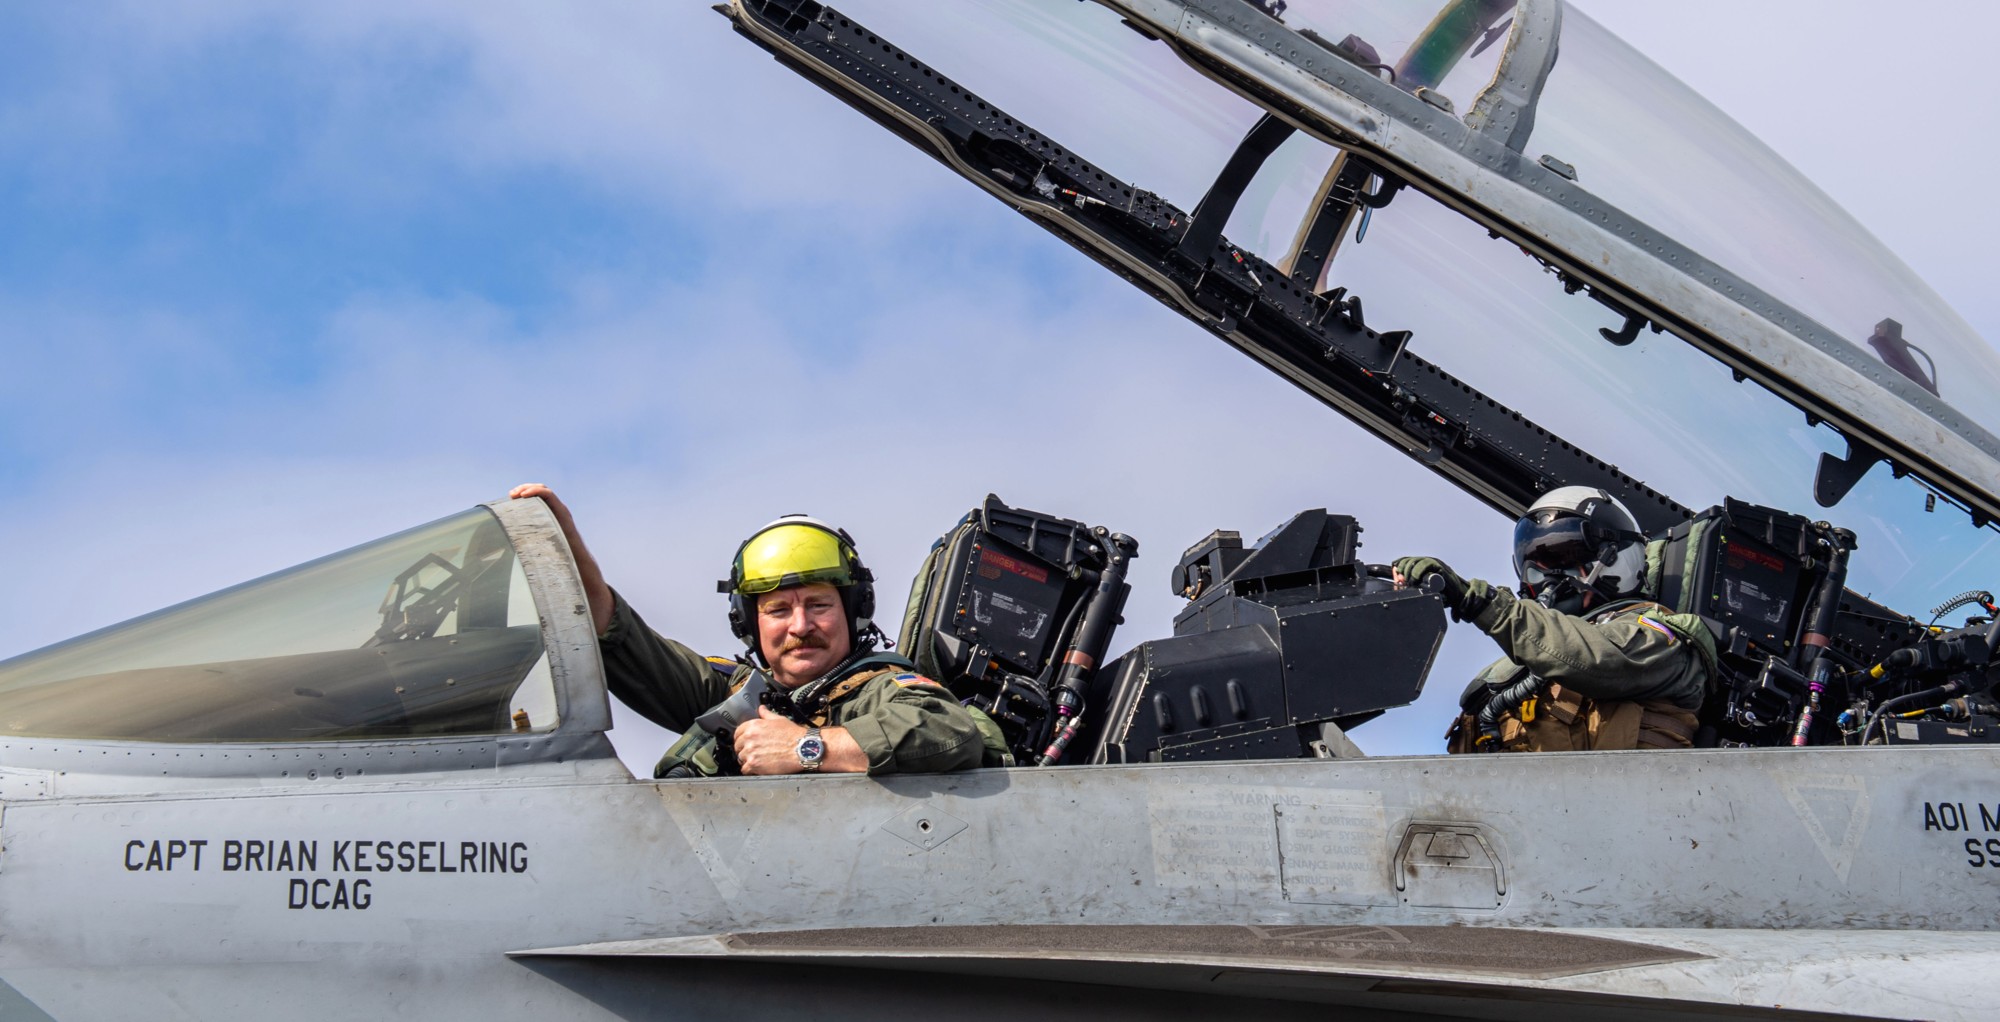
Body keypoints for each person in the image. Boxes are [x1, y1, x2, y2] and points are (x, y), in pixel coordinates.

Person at [508, 484, 986, 777]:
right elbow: (619, 636)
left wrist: (805, 748)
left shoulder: (884, 688)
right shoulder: (734, 693)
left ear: (854, 610)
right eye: (778, 610)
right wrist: (562, 546)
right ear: (749, 625)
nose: (801, 626)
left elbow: (950, 730)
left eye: (818, 604)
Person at [1392, 486, 1717, 753]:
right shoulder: (1522, 667)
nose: (1544, 576)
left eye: (1562, 557)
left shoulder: (1662, 638)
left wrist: (1480, 603)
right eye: (1533, 562)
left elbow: (1595, 659)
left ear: (1615, 559)